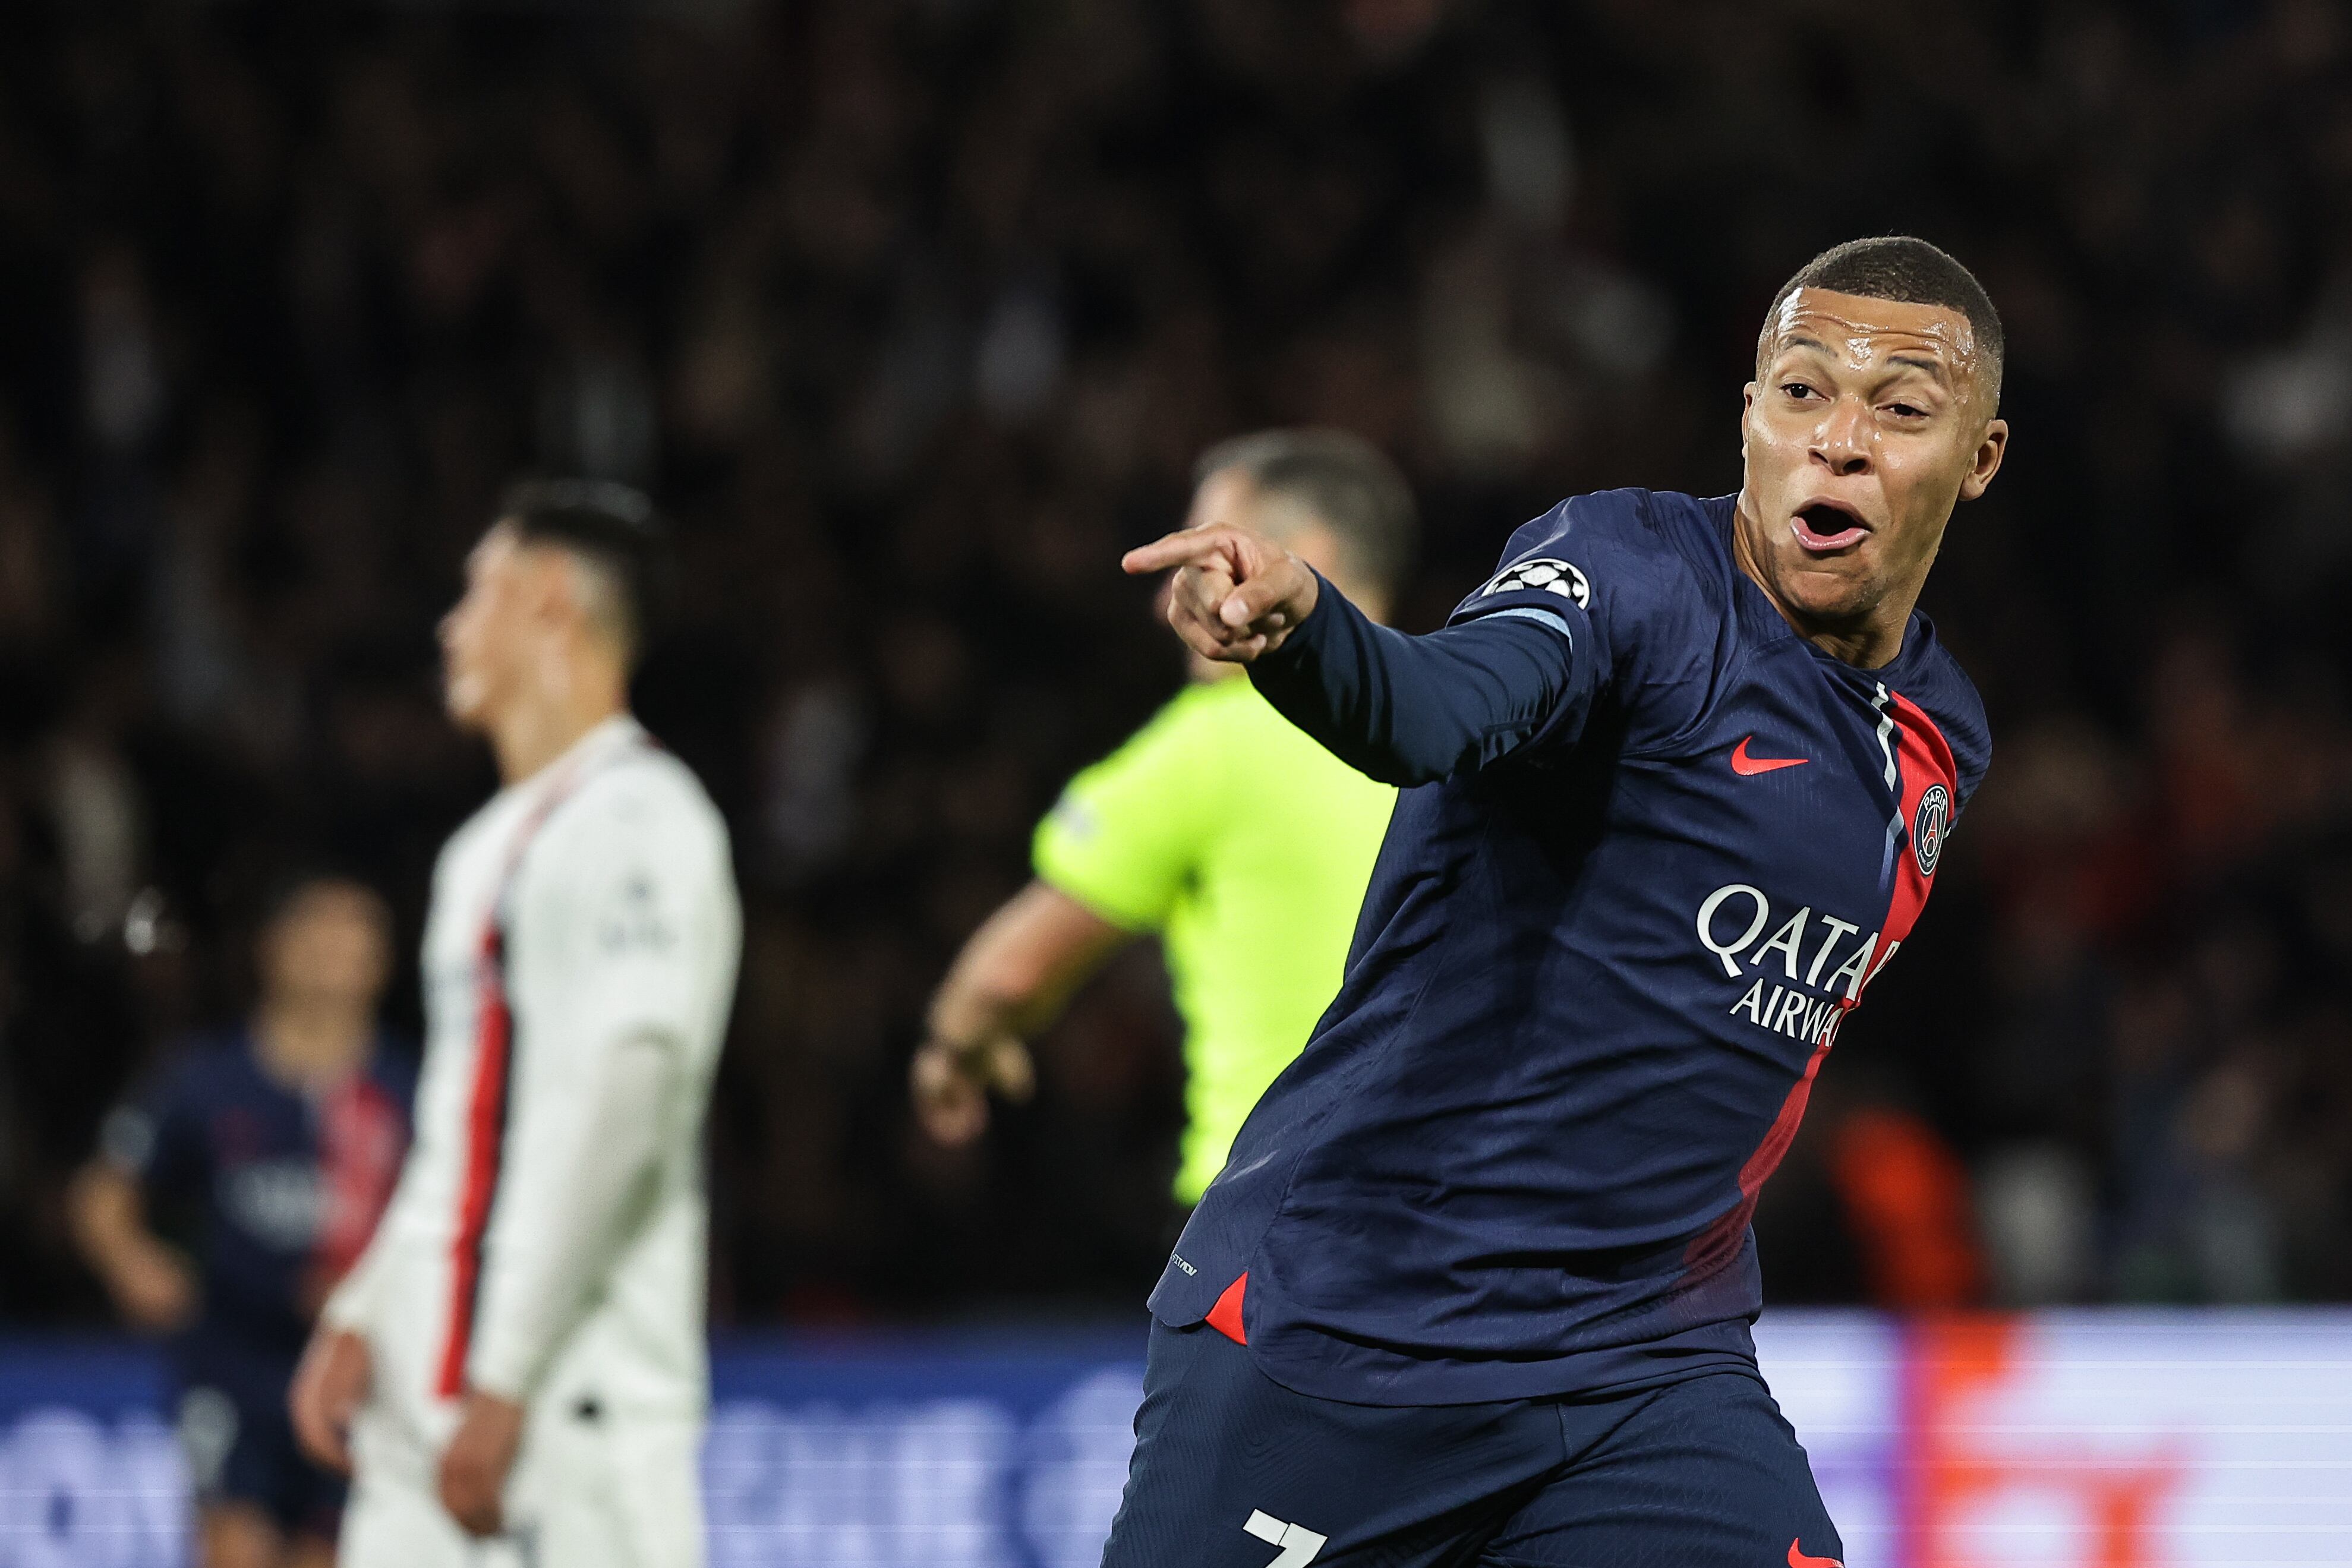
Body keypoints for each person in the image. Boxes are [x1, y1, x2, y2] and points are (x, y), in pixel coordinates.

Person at [1106, 236, 2007, 1568]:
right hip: (1348, 1324)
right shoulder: (1630, 574)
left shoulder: (1938, 736)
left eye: (1899, 409)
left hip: (1644, 1364)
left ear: (1978, 457)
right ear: (1747, 415)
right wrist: (1312, 637)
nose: (1837, 442)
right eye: (1800, 392)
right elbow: (1437, 706)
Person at [286, 481, 742, 1568]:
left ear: (549, 599)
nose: (451, 628)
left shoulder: (643, 817)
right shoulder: (482, 849)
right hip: (431, 1411)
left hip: (574, 1411)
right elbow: (462, 1128)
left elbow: (627, 1106)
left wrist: (508, 1373)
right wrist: (368, 1307)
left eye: (475, 594)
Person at [911, 430, 1410, 1210]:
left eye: (1204, 560)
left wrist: (953, 1046)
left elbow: (1008, 975)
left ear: (1306, 556)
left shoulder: (1218, 741)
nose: (1166, 603)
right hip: (1457, 1223)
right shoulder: (1471, 728)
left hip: (1278, 1218)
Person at [70, 875, 411, 1568]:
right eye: (316, 932)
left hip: (357, 1369)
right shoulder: (206, 1077)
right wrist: (133, 1259)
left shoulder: (409, 1089)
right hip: (233, 1361)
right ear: (272, 949)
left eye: (354, 935)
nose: (333, 951)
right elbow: (103, 1190)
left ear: (382, 960)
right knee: (235, 1548)